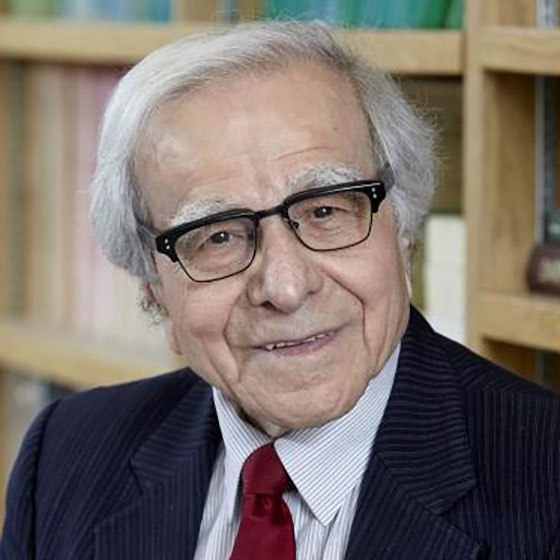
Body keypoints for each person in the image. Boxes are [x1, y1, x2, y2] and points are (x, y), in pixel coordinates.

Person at [1, 21, 560, 560]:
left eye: (325, 211)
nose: (286, 287)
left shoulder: (547, 481)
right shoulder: (65, 455)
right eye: (218, 236)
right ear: (154, 290)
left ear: (404, 230)